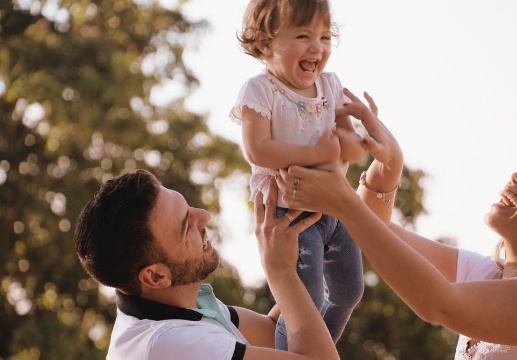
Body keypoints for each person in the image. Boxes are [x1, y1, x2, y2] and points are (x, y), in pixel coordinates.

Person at [276, 88, 517, 358]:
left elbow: (439, 304)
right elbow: (372, 231)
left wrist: (344, 202)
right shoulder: (485, 273)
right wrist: (389, 163)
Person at [74, 169, 341, 360]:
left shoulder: (178, 304)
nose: (204, 216)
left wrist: (335, 222)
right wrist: (280, 271)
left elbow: (275, 333)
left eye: (188, 207)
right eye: (185, 226)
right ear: (155, 277)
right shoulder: (166, 345)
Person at [229, 0, 367, 349]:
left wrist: (362, 136)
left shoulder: (331, 85)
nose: (317, 47)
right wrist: (315, 154)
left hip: (333, 207)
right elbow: (258, 149)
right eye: (303, 35)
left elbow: (349, 147)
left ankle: (319, 352)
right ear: (265, 43)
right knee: (304, 303)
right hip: (287, 213)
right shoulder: (260, 90)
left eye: (325, 36)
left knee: (349, 290)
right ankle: (288, 355)